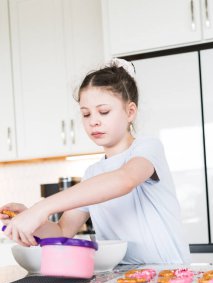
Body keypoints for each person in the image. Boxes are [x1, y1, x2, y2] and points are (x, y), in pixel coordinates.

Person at [0, 58, 190, 264]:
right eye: (86, 114)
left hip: (168, 275)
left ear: (130, 112)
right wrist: (29, 218)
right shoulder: (93, 173)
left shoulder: (148, 148)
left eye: (104, 111)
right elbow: (62, 232)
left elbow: (124, 180)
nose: (94, 121)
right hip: (121, 280)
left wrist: (42, 208)